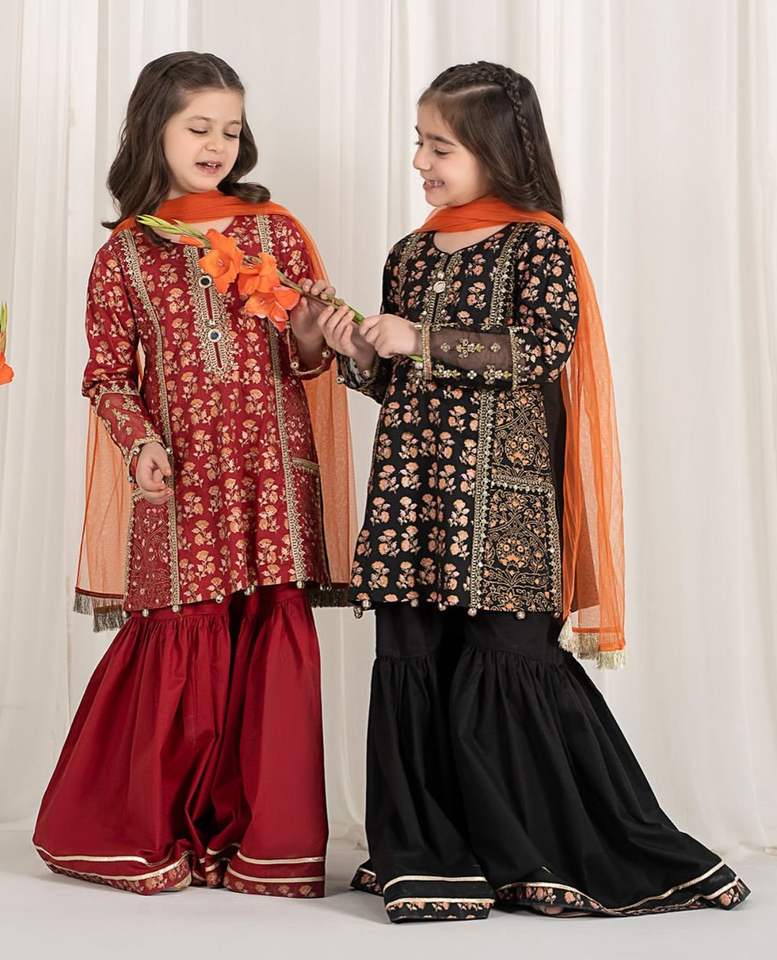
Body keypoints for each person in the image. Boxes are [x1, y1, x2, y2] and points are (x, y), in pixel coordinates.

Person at [320, 60, 749, 922]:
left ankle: (539, 852)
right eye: (417, 143)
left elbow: (544, 348)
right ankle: (429, 853)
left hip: (504, 500)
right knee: (413, 655)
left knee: (507, 659)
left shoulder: (538, 244)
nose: (420, 162)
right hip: (412, 493)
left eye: (439, 147)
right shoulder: (409, 252)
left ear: (495, 151)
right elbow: (398, 382)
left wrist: (418, 337)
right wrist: (356, 353)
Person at [33, 51, 356, 897]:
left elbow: (303, 361)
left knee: (271, 633)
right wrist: (137, 441)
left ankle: (265, 847)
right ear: (155, 131)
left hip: (271, 470)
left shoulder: (275, 231)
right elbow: (108, 375)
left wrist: (315, 333)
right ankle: (152, 830)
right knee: (183, 636)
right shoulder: (125, 253)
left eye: (231, 131)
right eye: (198, 128)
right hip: (182, 474)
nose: (217, 145)